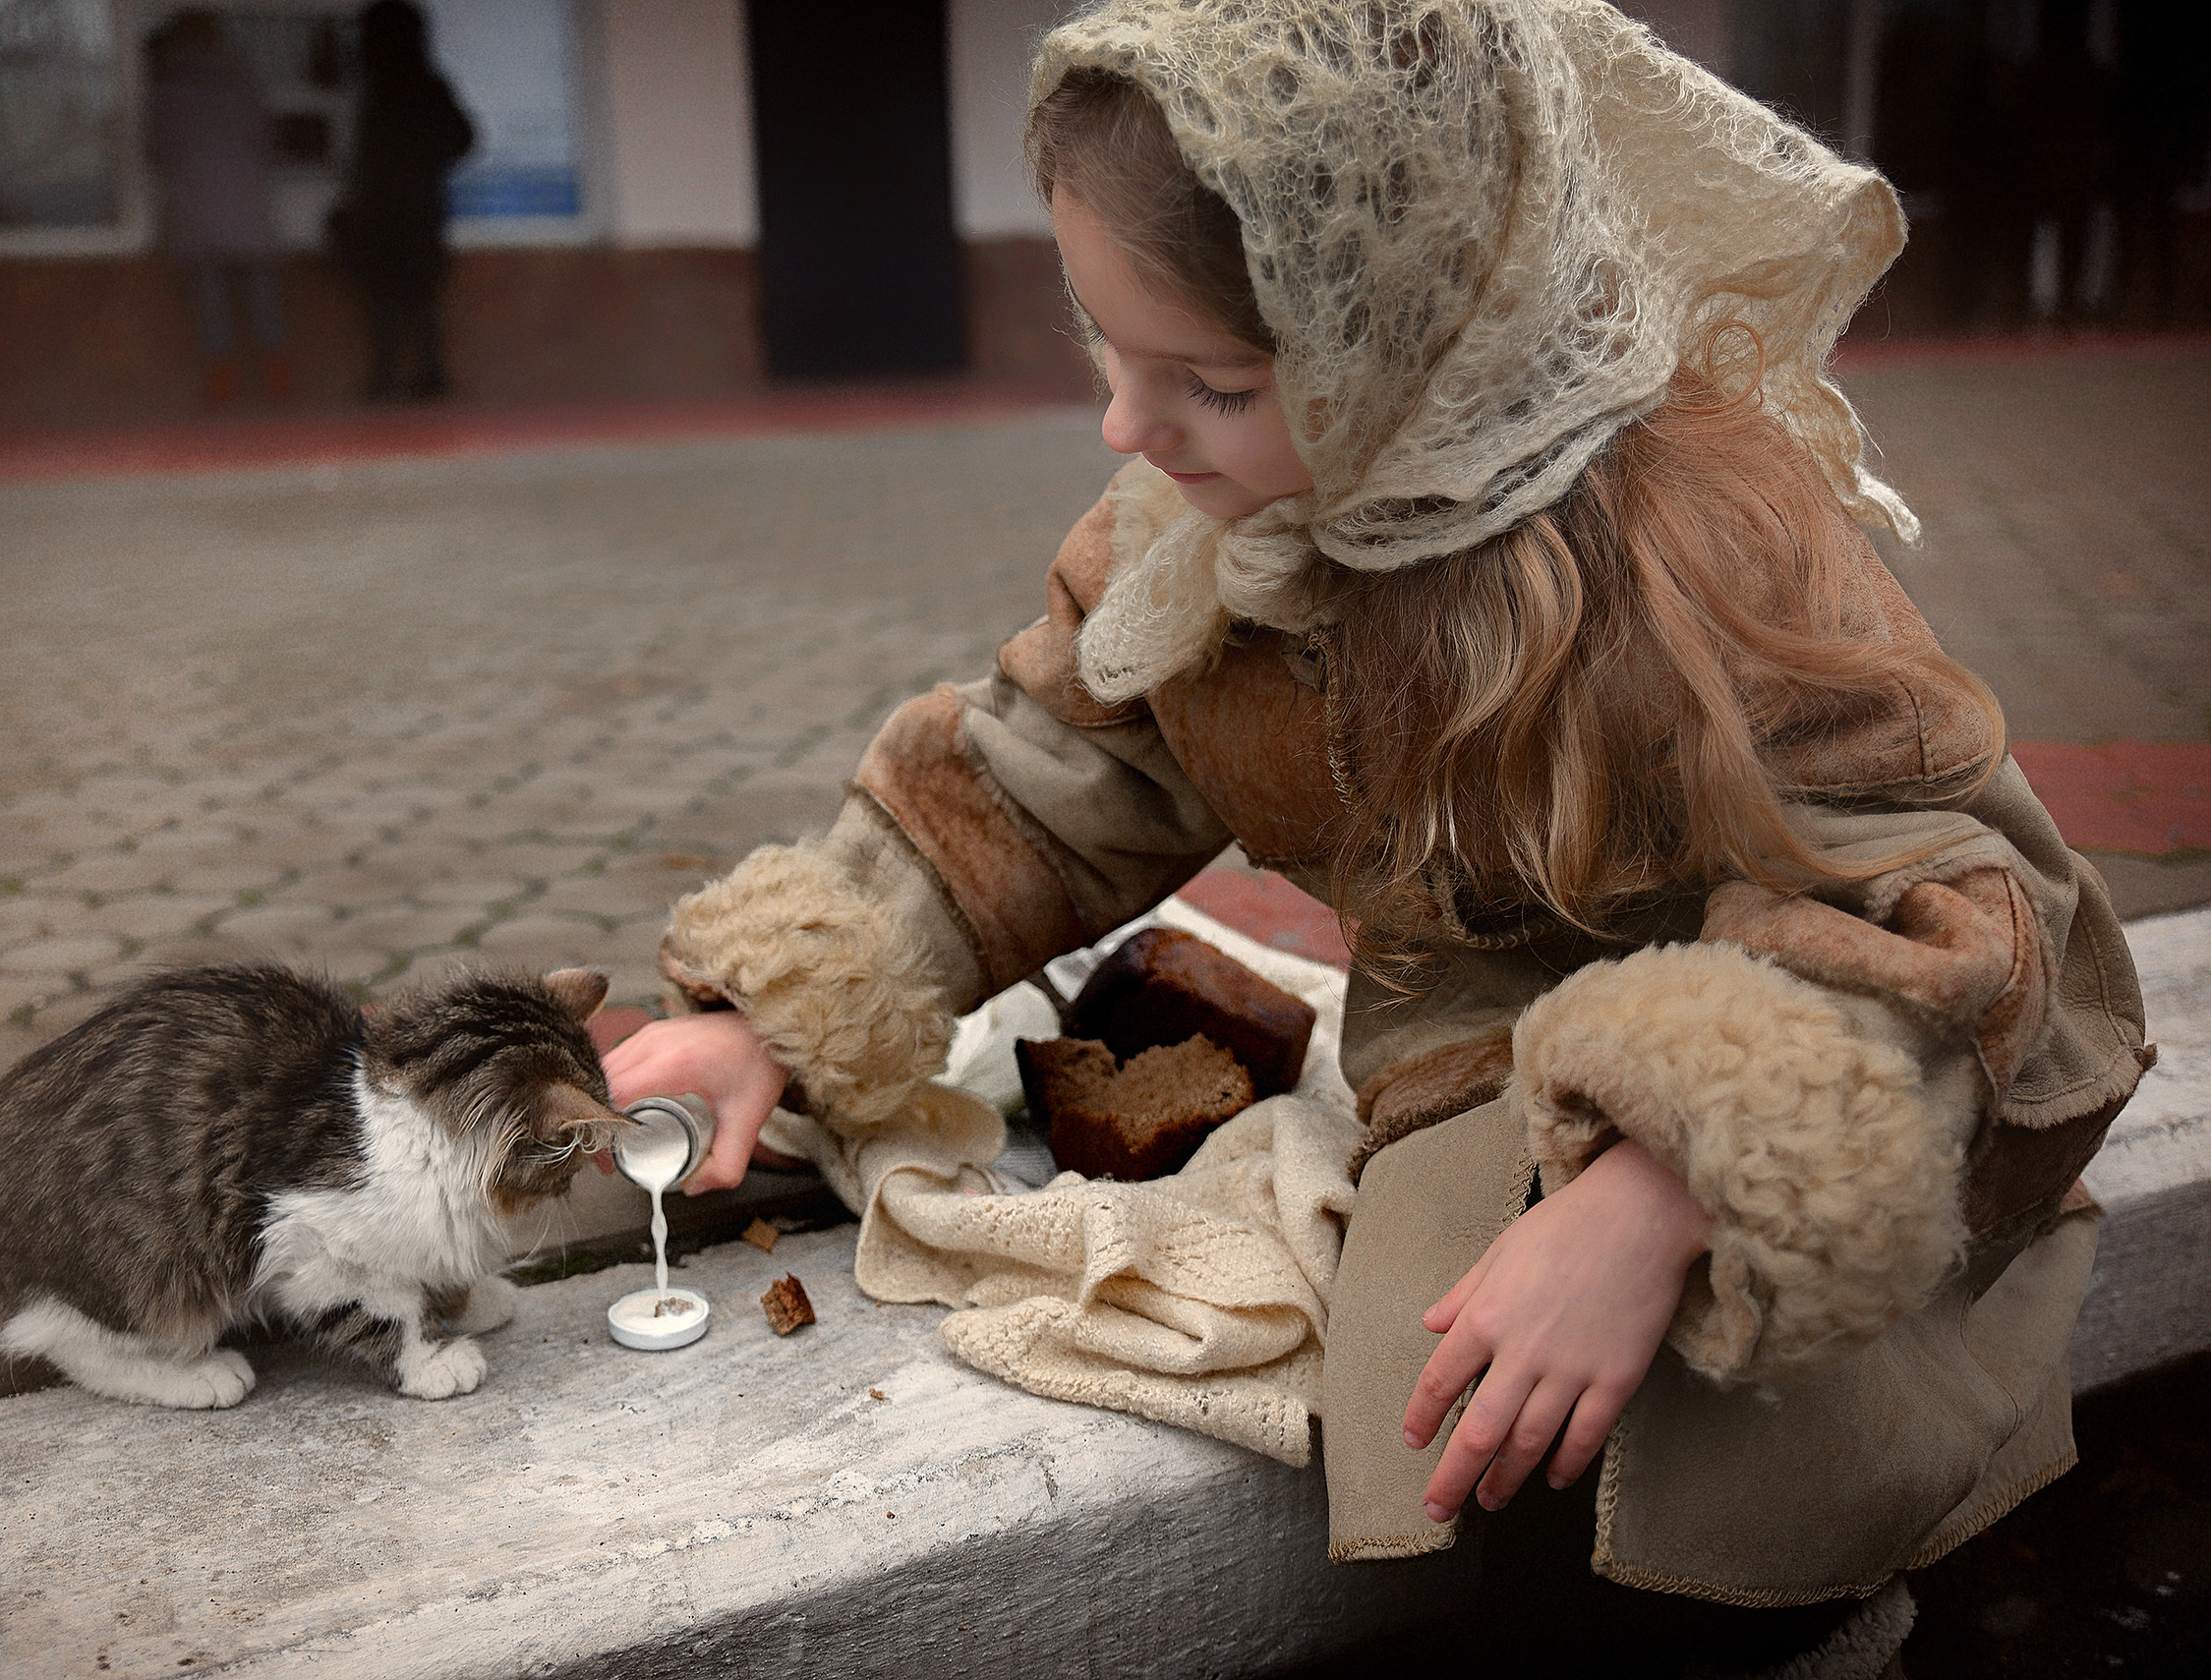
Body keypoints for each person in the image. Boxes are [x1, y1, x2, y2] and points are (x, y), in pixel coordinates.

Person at [602, 3, 2149, 1672]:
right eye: (1104, 350)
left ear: (1421, 336)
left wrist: (1667, 1179)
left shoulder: (1703, 551)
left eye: (1211, 380)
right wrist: (775, 1003)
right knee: (1463, 1383)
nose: (1131, 427)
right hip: (1478, 1067)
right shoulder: (1212, 539)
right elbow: (1043, 770)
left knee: (1718, 1445)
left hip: (1793, 1090)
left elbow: (1964, 915)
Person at [144, 10, 292, 409]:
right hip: (247, 204)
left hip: (195, 207)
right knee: (261, 289)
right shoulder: (244, 80)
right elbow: (268, 141)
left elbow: (157, 151)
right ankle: (276, 370)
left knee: (209, 293)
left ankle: (221, 375)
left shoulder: (168, 88)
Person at [331, 0, 474, 401]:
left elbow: (366, 159)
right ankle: (429, 374)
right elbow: (463, 139)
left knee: (386, 299)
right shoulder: (428, 85)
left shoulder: (379, 92)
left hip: (383, 210)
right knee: (421, 296)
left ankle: (387, 376)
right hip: (422, 207)